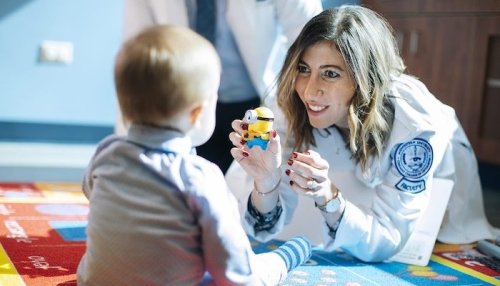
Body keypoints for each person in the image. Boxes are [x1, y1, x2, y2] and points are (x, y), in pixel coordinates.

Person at [227, 5, 500, 263]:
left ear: (366, 78)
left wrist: (329, 197)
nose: (309, 91)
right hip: (357, 190)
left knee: (431, 250)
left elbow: (389, 236)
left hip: (437, 196)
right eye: (303, 69)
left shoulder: (415, 127)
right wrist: (267, 182)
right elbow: (264, 226)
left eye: (331, 74)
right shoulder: (288, 104)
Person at [77, 25, 312, 285]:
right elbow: (233, 271)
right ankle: (288, 257)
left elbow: (93, 193)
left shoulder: (107, 152)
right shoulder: (200, 177)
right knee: (252, 271)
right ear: (197, 114)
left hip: (94, 281)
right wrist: (267, 267)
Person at [117, 0, 323, 173]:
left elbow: (310, 36)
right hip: (180, 105)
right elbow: (137, 58)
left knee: (256, 183)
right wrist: (133, 139)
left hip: (257, 102)